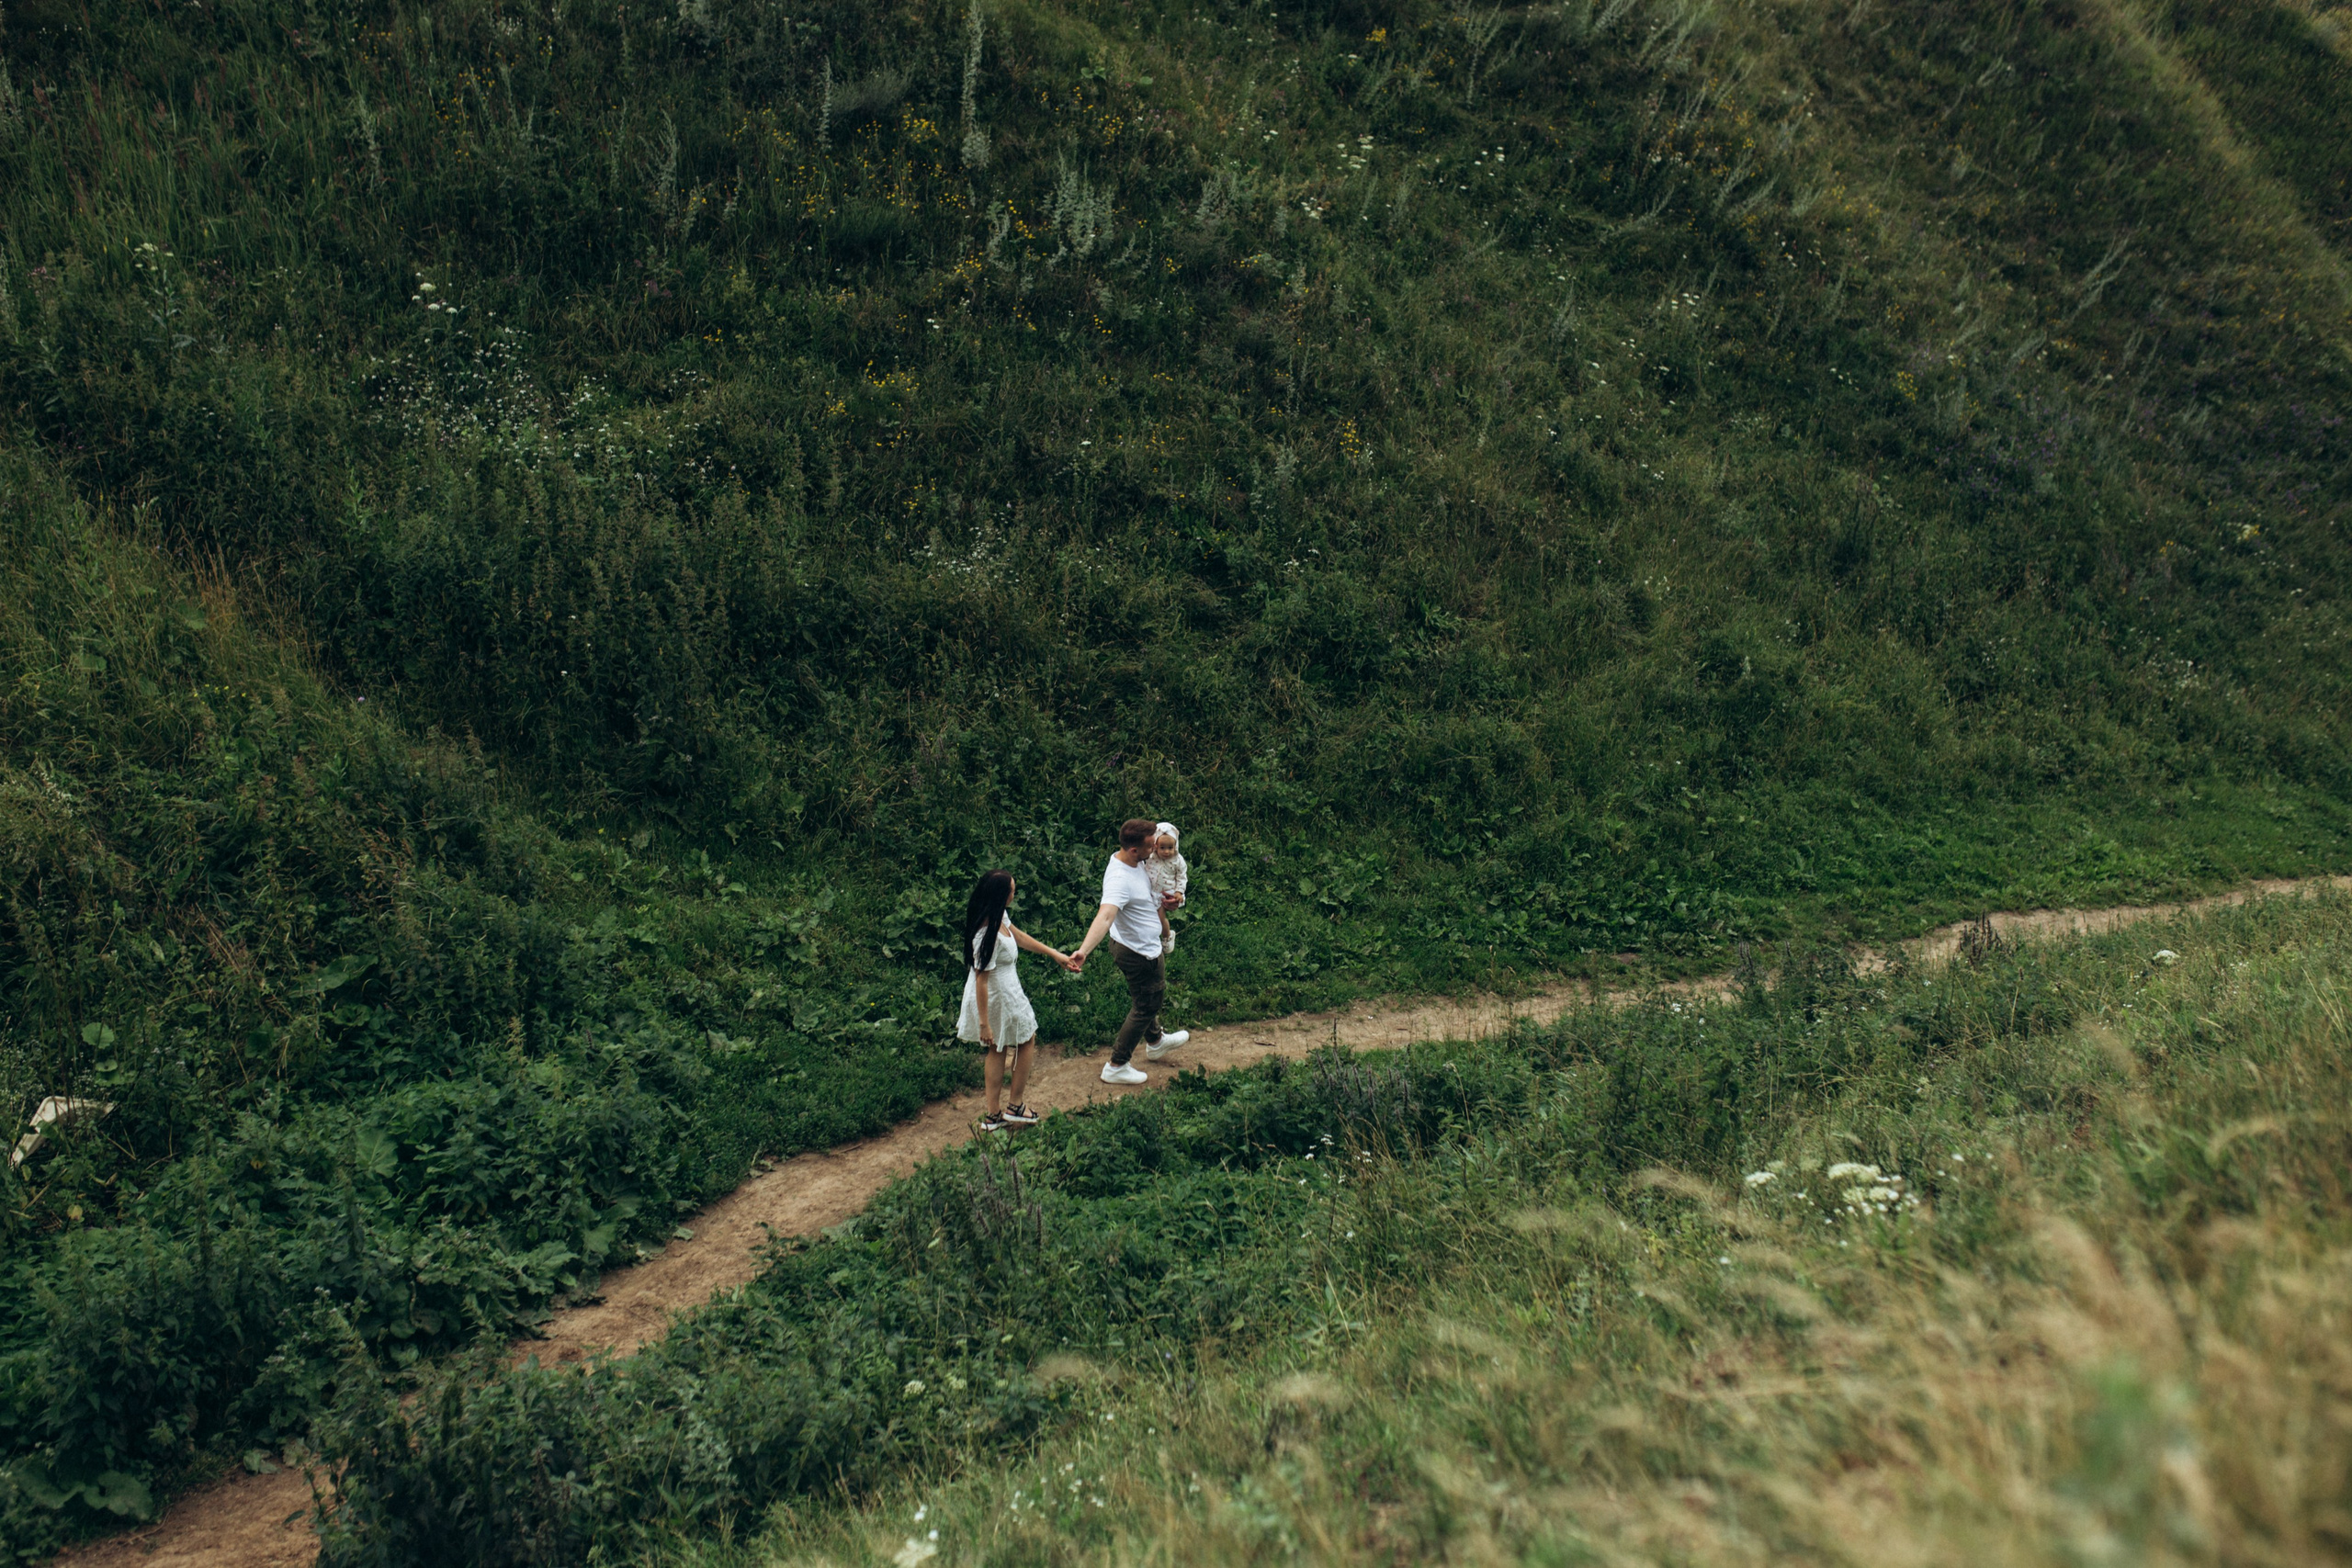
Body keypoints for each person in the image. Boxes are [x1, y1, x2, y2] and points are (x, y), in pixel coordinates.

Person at [957, 869, 1079, 1131]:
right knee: (1026, 1038)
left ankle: (994, 1116)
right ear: (1001, 895)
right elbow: (981, 979)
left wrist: (1054, 954)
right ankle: (1015, 1106)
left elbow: (1018, 936)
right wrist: (983, 1023)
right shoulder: (984, 934)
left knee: (999, 1048)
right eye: (1012, 890)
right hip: (998, 994)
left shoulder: (998, 915)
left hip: (1004, 989)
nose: (1015, 893)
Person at [1071, 818, 1190, 1084]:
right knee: (1147, 1004)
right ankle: (1117, 1064)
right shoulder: (1119, 879)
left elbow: (1158, 885)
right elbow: (1105, 916)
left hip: (1135, 944)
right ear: (1135, 849)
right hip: (1139, 953)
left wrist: (1173, 901)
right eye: (1152, 846)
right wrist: (1084, 951)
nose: (1157, 850)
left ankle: (1156, 1040)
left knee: (1143, 998)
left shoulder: (1135, 860)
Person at [1146, 820, 1189, 953]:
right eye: (1162, 848)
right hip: (1149, 889)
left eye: (1170, 848)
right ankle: (1149, 937)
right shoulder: (1151, 856)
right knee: (1147, 915)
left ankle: (1167, 936)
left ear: (1175, 846)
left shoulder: (1178, 860)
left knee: (1160, 916)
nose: (1166, 852)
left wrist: (1179, 892)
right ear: (1156, 846)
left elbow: (1182, 876)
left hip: (1165, 893)